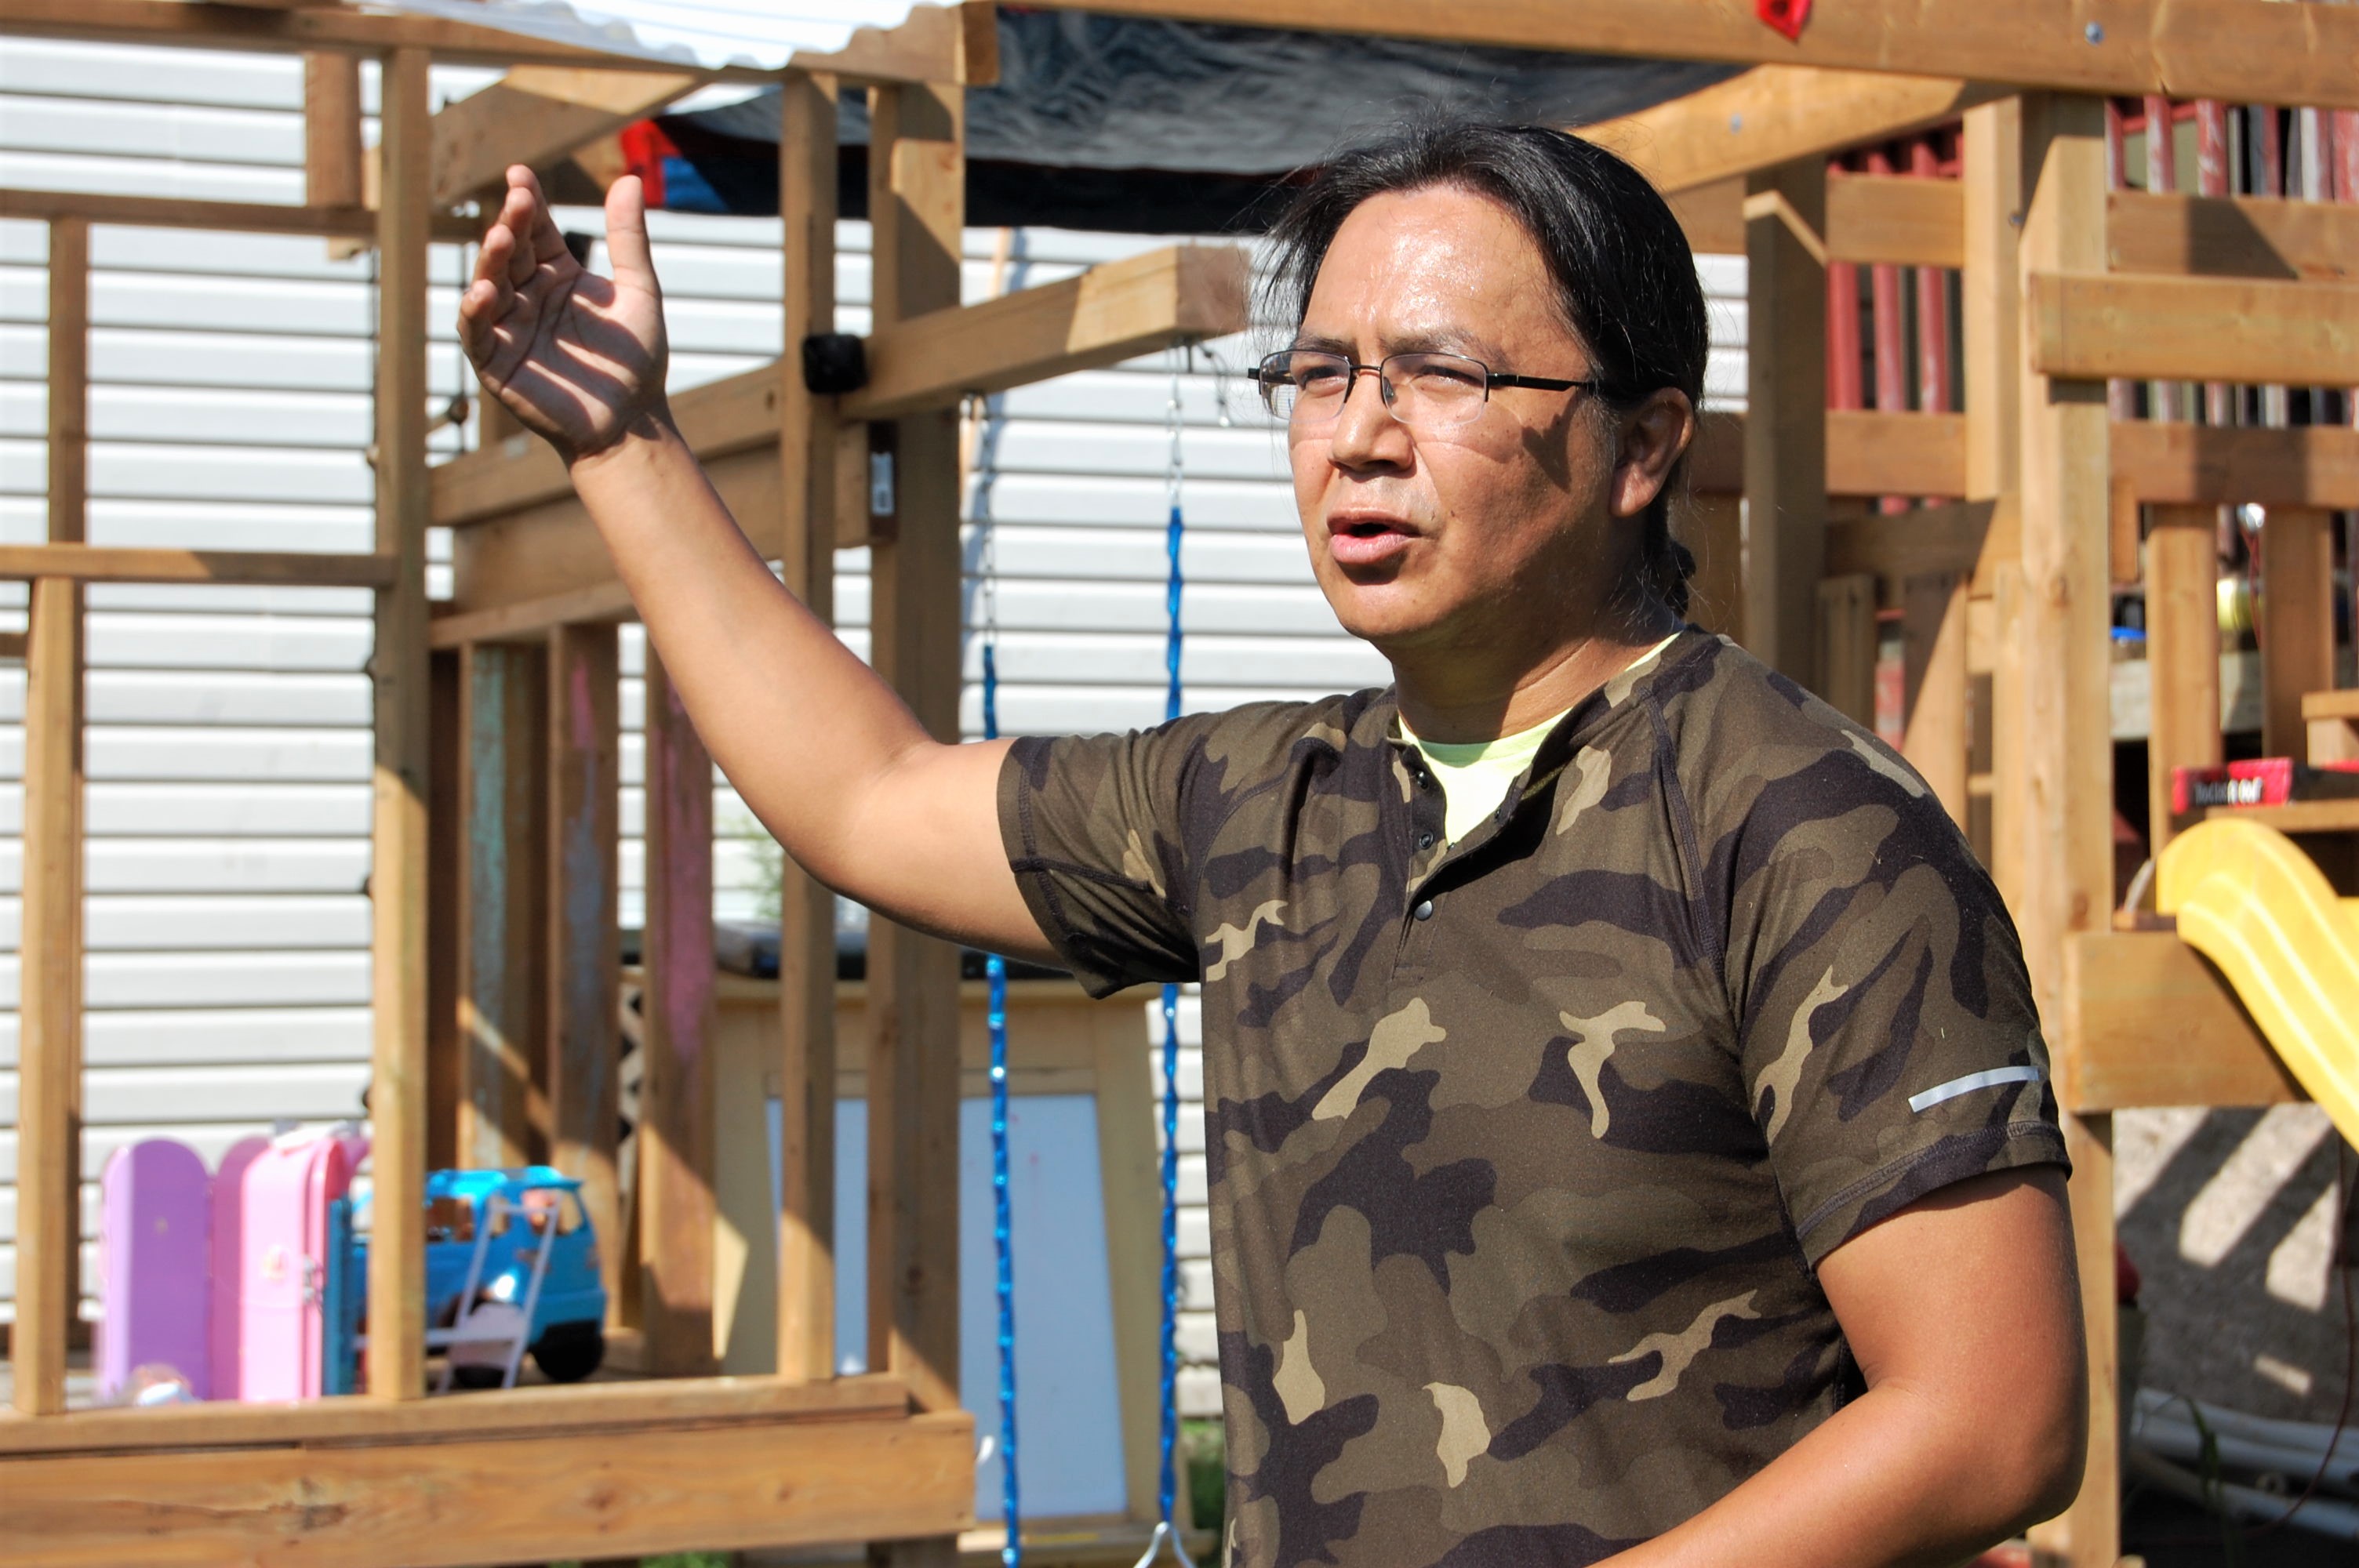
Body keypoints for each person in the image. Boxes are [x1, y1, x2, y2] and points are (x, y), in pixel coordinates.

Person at [460, 118, 2085, 1568]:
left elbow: (1991, 1419)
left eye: (1442, 374)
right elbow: (870, 796)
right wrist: (621, 443)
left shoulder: (1800, 825)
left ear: (1642, 445)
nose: (1359, 434)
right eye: (1321, 374)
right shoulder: (1260, 801)